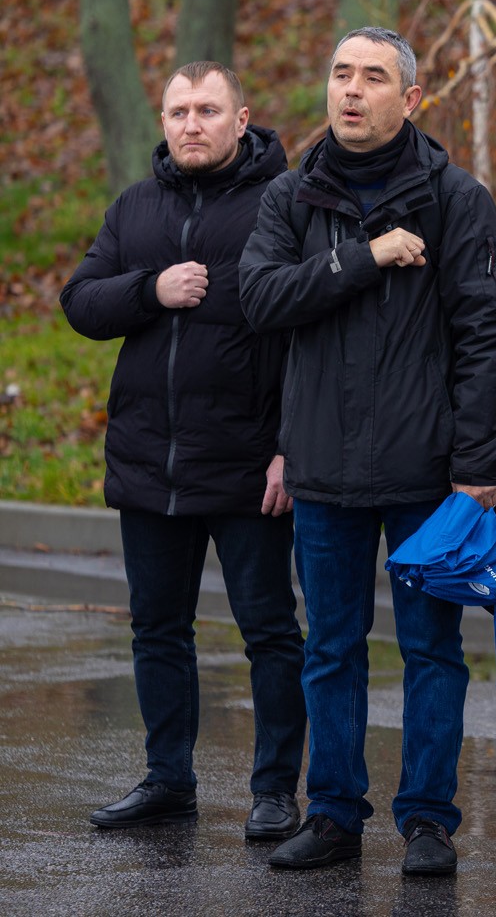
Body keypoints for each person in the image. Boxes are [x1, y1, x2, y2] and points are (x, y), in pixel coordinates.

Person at [239, 27, 496, 877]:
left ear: (412, 99)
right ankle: (333, 816)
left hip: (427, 474)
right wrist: (364, 257)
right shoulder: (290, 197)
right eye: (340, 75)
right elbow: (260, 300)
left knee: (432, 651)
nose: (351, 91)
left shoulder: (455, 198)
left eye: (373, 78)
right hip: (322, 468)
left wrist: (475, 471)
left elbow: (482, 338)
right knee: (332, 647)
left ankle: (428, 820)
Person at [60, 61, 306, 841]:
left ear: (242, 119)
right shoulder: (135, 207)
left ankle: (274, 792)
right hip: (148, 463)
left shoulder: (286, 203)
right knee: (156, 628)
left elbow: (313, 337)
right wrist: (150, 289)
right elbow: (80, 302)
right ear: (162, 122)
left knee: (269, 630)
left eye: (208, 109)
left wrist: (288, 449)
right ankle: (168, 780)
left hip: (248, 465)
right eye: (178, 110)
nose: (191, 123)